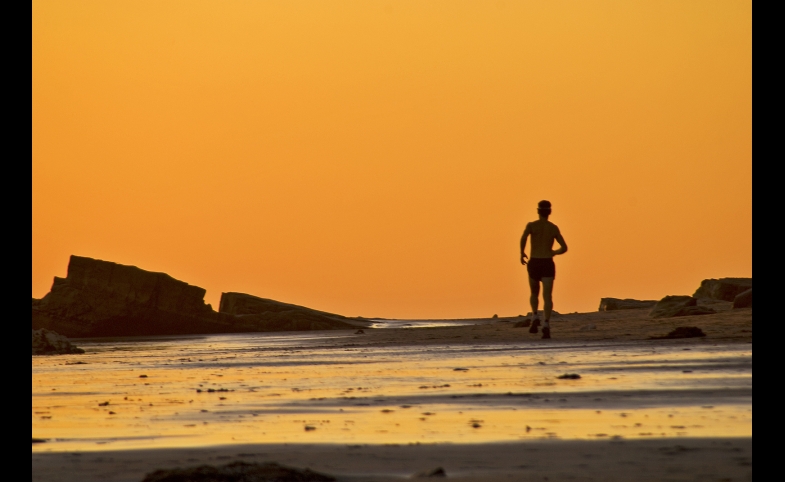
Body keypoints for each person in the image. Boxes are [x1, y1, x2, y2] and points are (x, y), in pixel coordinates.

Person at [520, 200, 568, 339]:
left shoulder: (531, 226)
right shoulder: (553, 228)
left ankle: (535, 315)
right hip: (547, 262)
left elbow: (523, 238)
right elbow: (564, 247)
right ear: (549, 212)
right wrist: (554, 252)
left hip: (534, 261)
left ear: (538, 211)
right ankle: (546, 323)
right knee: (547, 296)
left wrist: (522, 252)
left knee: (534, 292)